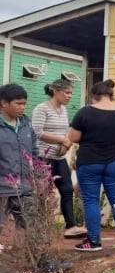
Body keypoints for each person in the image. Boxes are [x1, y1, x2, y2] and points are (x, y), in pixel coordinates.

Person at [68, 80, 115, 252]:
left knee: (91, 200)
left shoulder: (85, 113)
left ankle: (93, 241)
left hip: (89, 161)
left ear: (94, 96)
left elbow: (73, 137)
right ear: (111, 94)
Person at [31, 79, 87, 239]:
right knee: (43, 193)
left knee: (67, 190)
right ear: (55, 91)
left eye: (71, 93)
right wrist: (61, 140)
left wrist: (67, 143)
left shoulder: (63, 110)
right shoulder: (41, 109)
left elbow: (66, 131)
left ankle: (71, 227)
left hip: (59, 157)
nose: (70, 96)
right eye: (67, 92)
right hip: (43, 158)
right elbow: (38, 132)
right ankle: (41, 228)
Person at [0, 84, 38, 273]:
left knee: (30, 225)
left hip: (25, 187)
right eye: (18, 103)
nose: (22, 107)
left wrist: (38, 176)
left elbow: (34, 152)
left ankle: (31, 265)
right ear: (4, 104)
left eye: (24, 103)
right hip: (2, 188)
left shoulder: (25, 125)